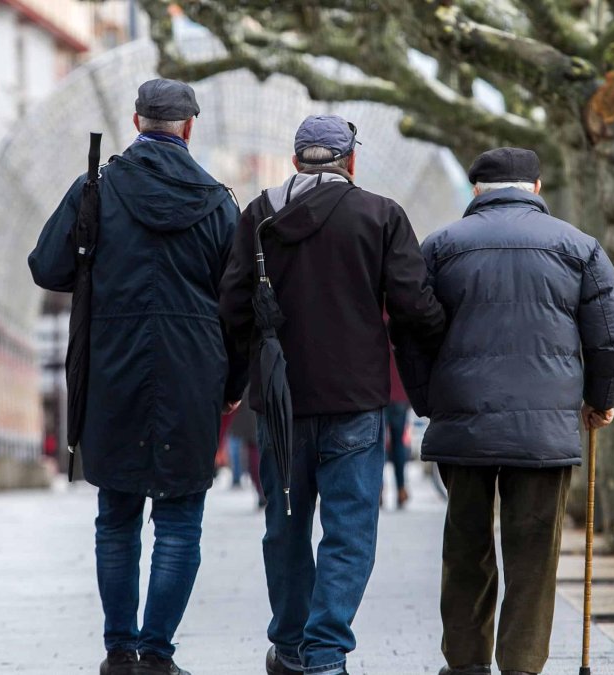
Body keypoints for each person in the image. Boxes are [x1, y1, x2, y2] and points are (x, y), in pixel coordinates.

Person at [28, 79, 245, 675]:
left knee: (116, 517)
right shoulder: (219, 203)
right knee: (179, 521)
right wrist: (233, 384)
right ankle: (157, 653)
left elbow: (47, 267)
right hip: (193, 373)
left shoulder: (96, 190)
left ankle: (119, 651)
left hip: (112, 370)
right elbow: (238, 305)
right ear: (190, 128)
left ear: (136, 122)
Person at [219, 114, 446, 675]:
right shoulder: (380, 215)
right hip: (355, 399)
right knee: (350, 531)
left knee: (286, 526)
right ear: (350, 161)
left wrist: (237, 379)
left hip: (280, 401)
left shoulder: (259, 216)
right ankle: (325, 651)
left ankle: (290, 646)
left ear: (296, 161)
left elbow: (233, 307)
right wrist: (442, 338)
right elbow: (414, 304)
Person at [414, 148, 614, 675]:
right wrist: (601, 399)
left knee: (465, 544)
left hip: (462, 422)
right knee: (534, 553)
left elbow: (411, 330)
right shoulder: (579, 247)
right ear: (536, 187)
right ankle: (522, 665)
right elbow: (610, 334)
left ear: (476, 191)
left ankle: (466, 664)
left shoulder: (440, 247)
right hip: (545, 429)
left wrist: (429, 401)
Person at [384, 349, 411, 509]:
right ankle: (401, 489)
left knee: (378, 444)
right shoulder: (399, 333)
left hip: (380, 393)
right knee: (398, 444)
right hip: (400, 393)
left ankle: (378, 489)